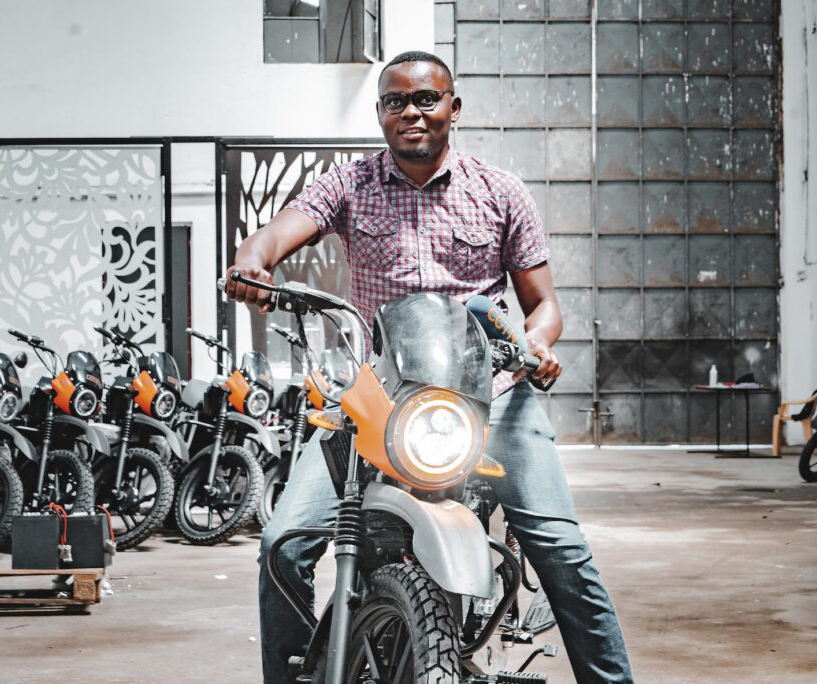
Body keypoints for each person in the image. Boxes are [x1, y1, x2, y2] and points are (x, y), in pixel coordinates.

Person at [224, 50, 633, 684]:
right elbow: (277, 233)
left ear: (453, 108)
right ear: (380, 112)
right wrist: (253, 261)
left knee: (562, 549)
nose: (412, 112)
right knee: (286, 541)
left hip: (491, 394)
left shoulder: (501, 193)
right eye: (396, 102)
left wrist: (540, 341)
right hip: (376, 396)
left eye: (427, 99)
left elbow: (544, 304)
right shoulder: (349, 185)